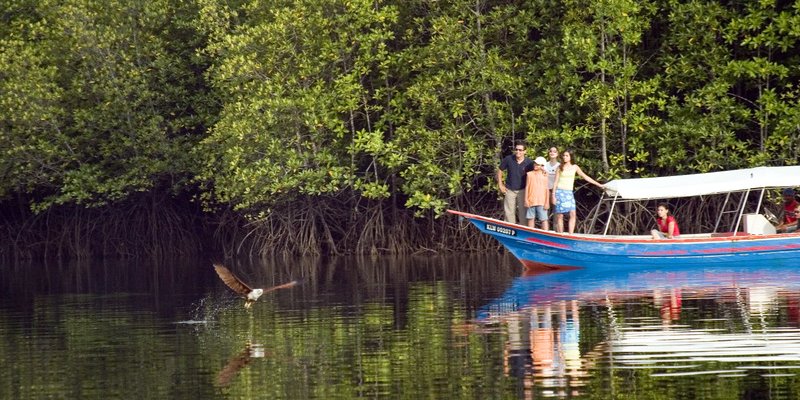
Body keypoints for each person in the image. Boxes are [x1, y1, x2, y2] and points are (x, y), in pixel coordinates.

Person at [551, 149, 604, 234]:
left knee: (572, 213)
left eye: (567, 156)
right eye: (564, 155)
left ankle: (570, 234)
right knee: (560, 215)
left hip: (569, 193)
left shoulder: (575, 167)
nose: (564, 157)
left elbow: (585, 177)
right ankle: (560, 234)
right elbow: (555, 182)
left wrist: (599, 184)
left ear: (571, 157)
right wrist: (553, 195)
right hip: (560, 192)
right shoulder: (560, 167)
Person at [497, 140, 534, 224]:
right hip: (510, 189)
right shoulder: (509, 159)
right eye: (516, 149)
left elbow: (535, 175)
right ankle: (510, 230)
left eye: (520, 150)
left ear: (525, 151)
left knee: (523, 213)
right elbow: (500, 170)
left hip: (523, 190)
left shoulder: (529, 163)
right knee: (509, 213)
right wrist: (500, 185)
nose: (518, 151)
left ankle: (524, 232)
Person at [524, 156, 551, 230]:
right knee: (530, 218)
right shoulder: (529, 174)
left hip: (541, 201)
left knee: (544, 219)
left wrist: (547, 202)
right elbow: (527, 187)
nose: (535, 165)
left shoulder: (545, 175)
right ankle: (530, 234)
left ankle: (546, 235)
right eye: (535, 163)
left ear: (542, 166)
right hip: (531, 200)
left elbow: (547, 189)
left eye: (538, 164)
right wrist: (526, 200)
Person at [544, 146, 560, 230]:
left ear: (557, 154)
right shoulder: (545, 164)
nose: (552, 153)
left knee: (556, 214)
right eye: (550, 151)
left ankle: (556, 232)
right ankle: (545, 233)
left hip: (556, 191)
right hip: (545, 191)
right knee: (545, 213)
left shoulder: (559, 165)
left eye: (554, 151)